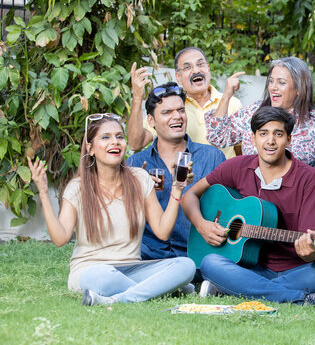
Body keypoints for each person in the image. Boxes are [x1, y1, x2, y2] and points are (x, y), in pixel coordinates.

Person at [182, 106, 315, 307]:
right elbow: (189, 194)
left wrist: (310, 252)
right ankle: (300, 299)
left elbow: (314, 247)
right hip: (247, 266)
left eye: (278, 134)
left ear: (289, 139)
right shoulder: (237, 166)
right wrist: (201, 224)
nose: (270, 141)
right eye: (263, 134)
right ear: (253, 138)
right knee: (210, 263)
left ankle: (237, 289)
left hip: (294, 270)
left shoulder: (309, 178)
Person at [27, 114, 196, 306]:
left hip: (132, 267)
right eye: (105, 137)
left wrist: (177, 189)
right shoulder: (78, 187)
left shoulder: (140, 179)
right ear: (90, 148)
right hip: (93, 270)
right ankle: (161, 288)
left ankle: (119, 299)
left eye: (119, 136)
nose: (114, 142)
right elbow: (60, 239)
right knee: (99, 277)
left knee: (186, 266)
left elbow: (163, 231)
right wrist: (43, 193)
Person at [128, 82, 226, 260]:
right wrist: (137, 189)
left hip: (196, 252)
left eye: (181, 110)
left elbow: (226, 208)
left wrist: (210, 227)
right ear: (151, 121)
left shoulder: (213, 157)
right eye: (167, 112)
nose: (177, 117)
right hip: (149, 253)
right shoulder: (136, 163)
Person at [205, 56, 315, 166]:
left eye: (281, 83)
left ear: (299, 89)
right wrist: (227, 95)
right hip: (252, 196)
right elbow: (217, 137)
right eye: (271, 81)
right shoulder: (253, 112)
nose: (273, 88)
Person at [128, 46, 243, 158]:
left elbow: (239, 151)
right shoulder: (171, 108)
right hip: (186, 175)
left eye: (200, 64)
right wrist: (137, 98)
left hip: (223, 176)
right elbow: (136, 144)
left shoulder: (232, 103)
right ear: (178, 77)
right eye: (187, 67)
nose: (196, 70)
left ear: (208, 68)